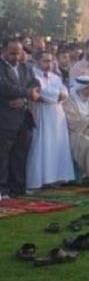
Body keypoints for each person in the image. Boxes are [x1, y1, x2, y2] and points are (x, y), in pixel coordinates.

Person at [26, 51, 75, 191]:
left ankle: (55, 177)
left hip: (57, 114)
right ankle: (37, 180)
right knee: (41, 145)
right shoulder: (32, 75)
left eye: (51, 61)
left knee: (57, 145)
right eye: (45, 61)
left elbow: (65, 92)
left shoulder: (55, 76)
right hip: (41, 113)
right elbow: (40, 93)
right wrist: (56, 95)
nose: (49, 64)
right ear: (37, 61)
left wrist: (60, 95)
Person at [0, 39, 41, 198]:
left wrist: (24, 100)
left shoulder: (26, 67)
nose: (16, 57)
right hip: (5, 118)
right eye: (12, 53)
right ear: (4, 51)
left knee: (20, 154)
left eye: (19, 53)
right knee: (3, 156)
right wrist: (27, 93)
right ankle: (2, 188)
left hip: (24, 117)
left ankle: (18, 187)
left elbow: (36, 85)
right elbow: (3, 87)